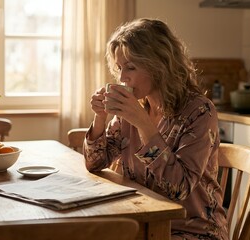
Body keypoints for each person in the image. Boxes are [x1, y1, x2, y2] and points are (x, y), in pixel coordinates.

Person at [83, 18, 229, 240]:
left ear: (159, 65)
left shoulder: (199, 111)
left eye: (131, 67)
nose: (122, 77)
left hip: (192, 231)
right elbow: (94, 163)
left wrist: (143, 124)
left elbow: (178, 189)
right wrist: (100, 118)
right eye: (119, 68)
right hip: (143, 221)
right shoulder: (135, 107)